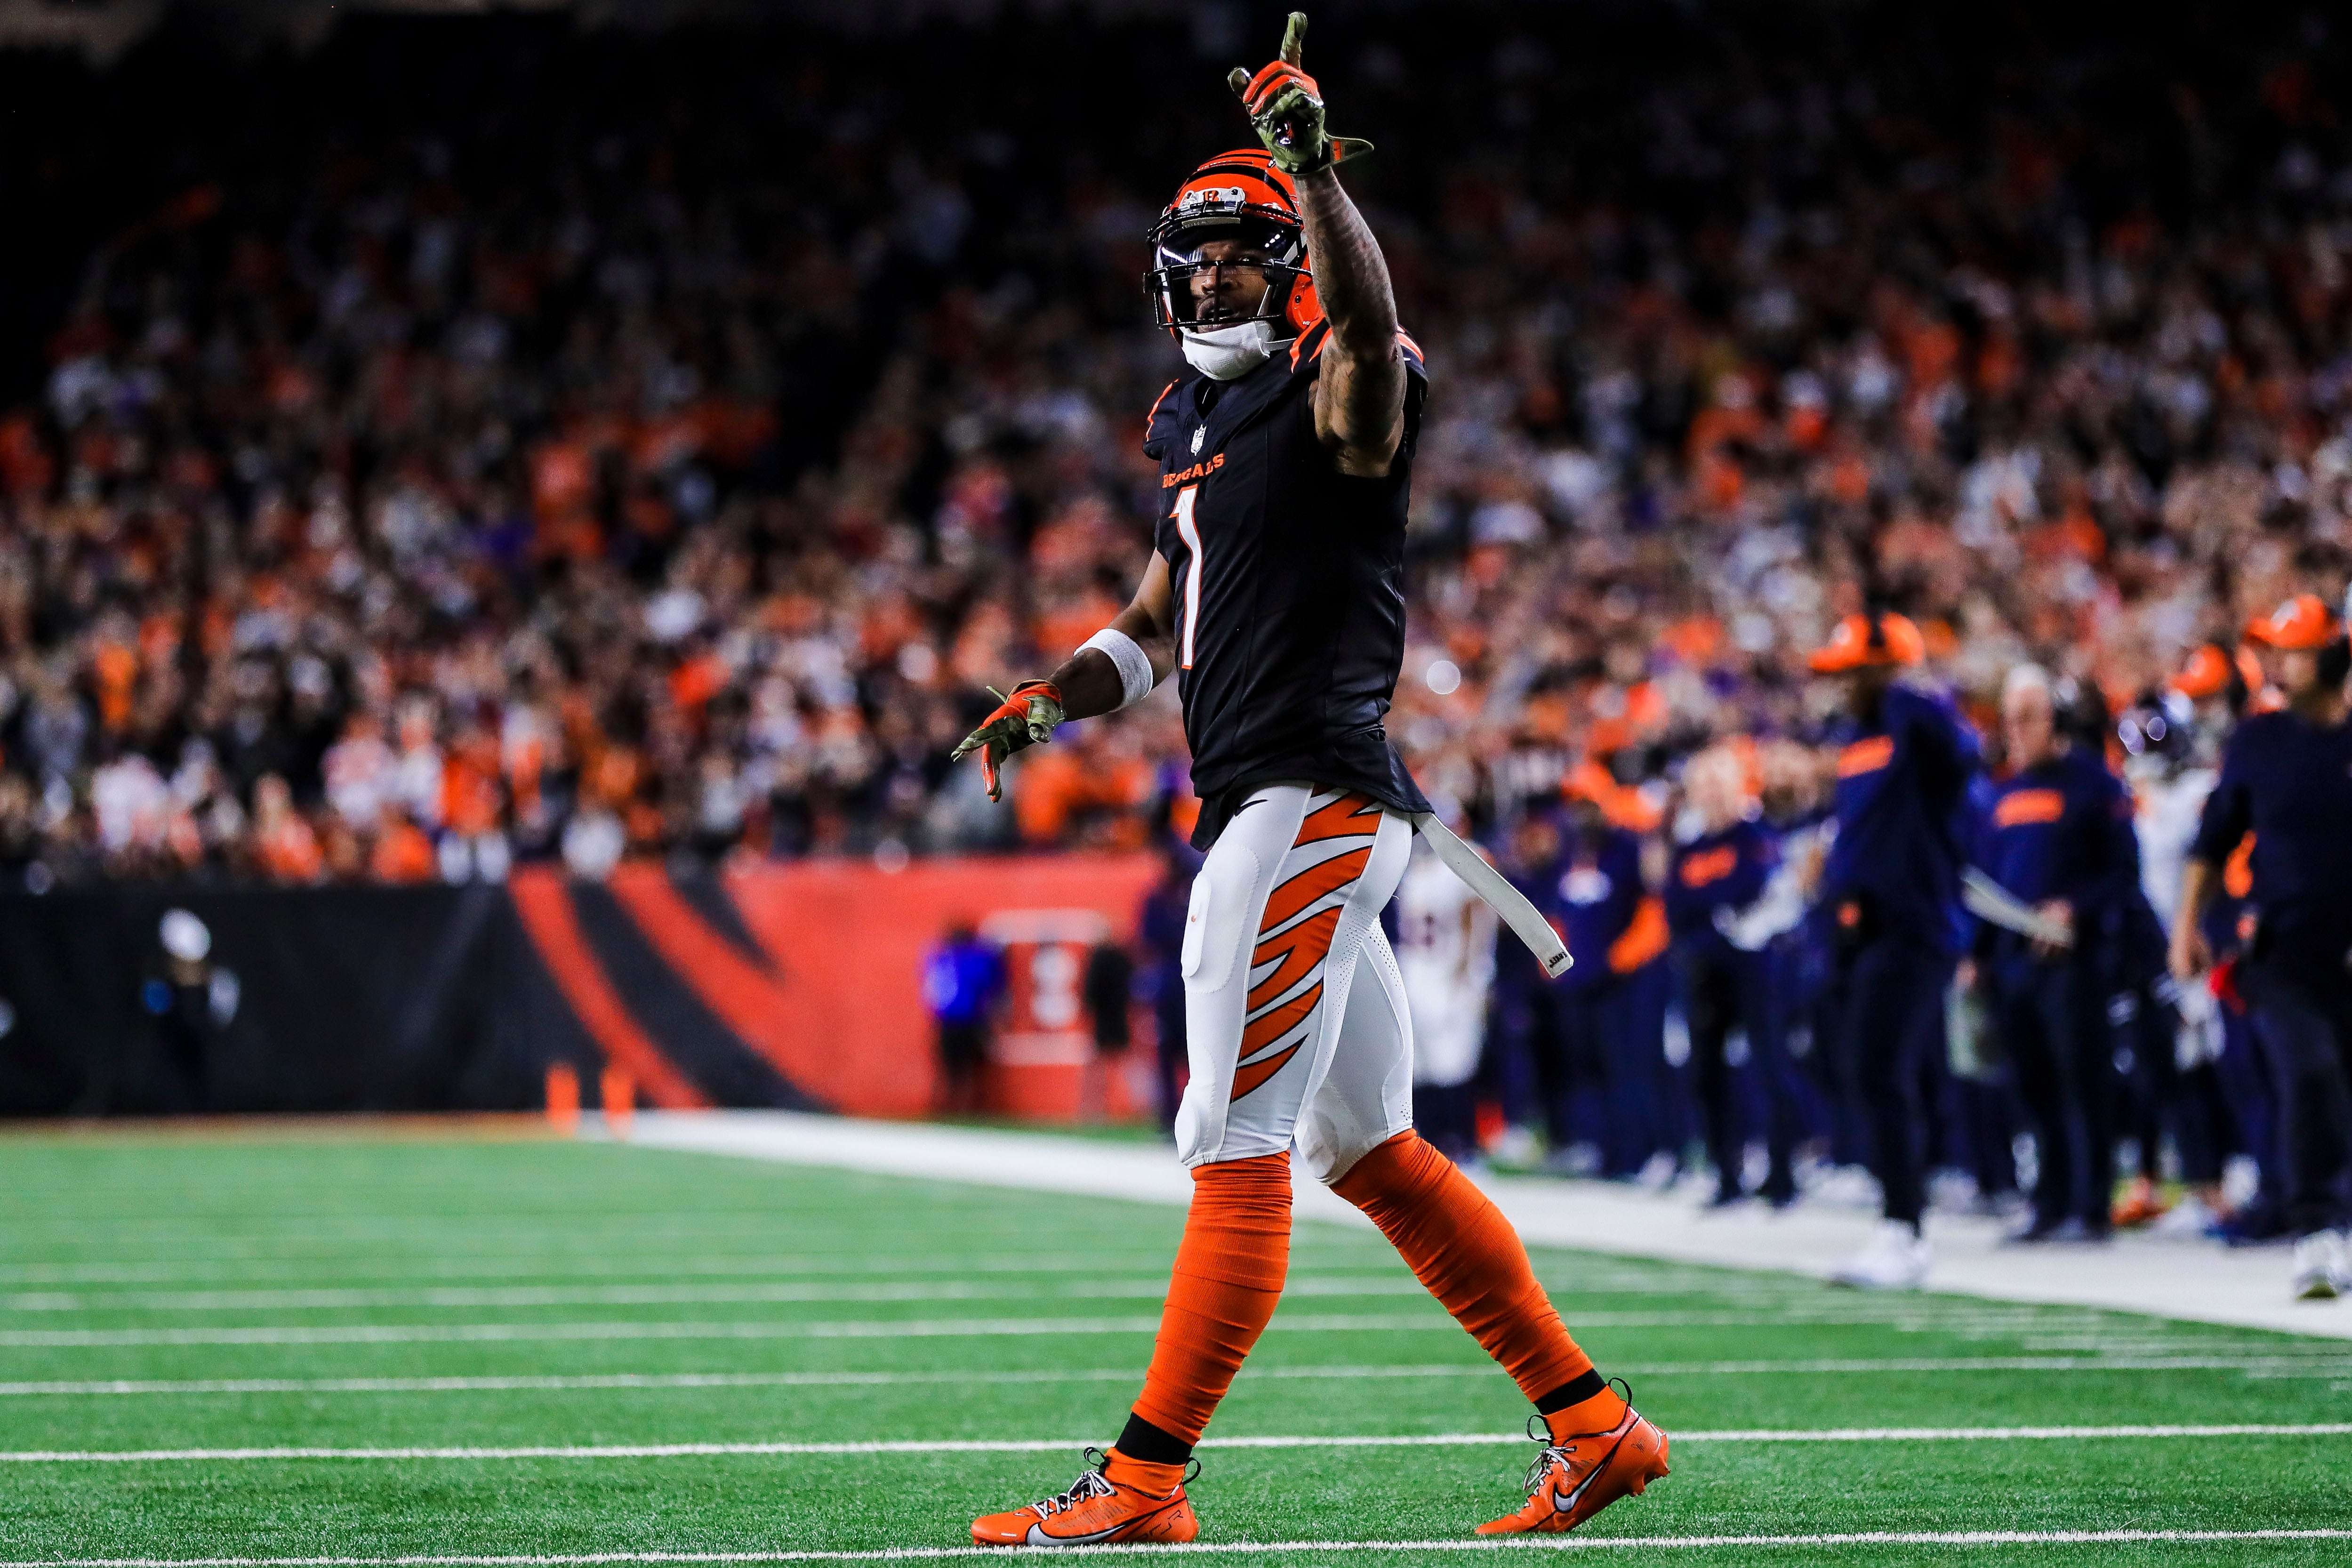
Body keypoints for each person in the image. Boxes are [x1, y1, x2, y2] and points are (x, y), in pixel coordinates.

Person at [948, 15, 1668, 1545]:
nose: (1210, 273)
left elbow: (1359, 337)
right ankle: (1593, 1427)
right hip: (1291, 808)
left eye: (1239, 248)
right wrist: (1044, 700)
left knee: (1228, 1143)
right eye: (1192, 251)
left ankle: (1143, 1480)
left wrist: (1311, 178)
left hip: (1306, 802)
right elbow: (1155, 625)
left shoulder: (1336, 386)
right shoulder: (1197, 429)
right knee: (1365, 1150)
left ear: (1287, 262)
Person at [2172, 593, 2352, 1299]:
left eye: (2296, 648)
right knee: (2307, 1073)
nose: (2281, 662)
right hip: (2281, 951)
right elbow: (2213, 840)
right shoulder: (2257, 742)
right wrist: (2186, 925)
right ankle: (2314, 1227)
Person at [1808, 613, 1983, 1289]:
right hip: (1860, 929)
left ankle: (1904, 1228)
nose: (1842, 684)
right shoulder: (1858, 737)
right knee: (1860, 1064)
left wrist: (1908, 686)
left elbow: (1961, 754)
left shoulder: (1917, 720)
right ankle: (1900, 1213)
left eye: (1854, 669)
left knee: (1879, 1067)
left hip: (1914, 923)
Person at [1969, 665, 2141, 1244]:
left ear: (2056, 718)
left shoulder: (2094, 784)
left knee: (2083, 1081)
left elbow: (2123, 873)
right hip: (2013, 960)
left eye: (2027, 717)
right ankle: (2048, 1199)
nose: (2015, 730)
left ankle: (2092, 1205)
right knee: (2031, 1083)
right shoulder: (1998, 793)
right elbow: (1989, 883)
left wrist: (2073, 908)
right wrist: (1975, 956)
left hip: (2075, 959)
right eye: (2008, 718)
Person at [1666, 746, 1796, 1207]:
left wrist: (1709, 908)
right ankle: (1726, 1175)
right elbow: (1676, 906)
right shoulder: (1690, 844)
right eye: (1703, 787)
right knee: (1706, 1073)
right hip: (1705, 971)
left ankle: (1781, 1174)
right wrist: (1715, 908)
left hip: (1754, 967)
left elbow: (1750, 884)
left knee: (1769, 1068)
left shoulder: (1752, 834)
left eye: (1719, 786)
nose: (1712, 796)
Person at [1394, 803, 1497, 1163]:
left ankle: (1461, 1143)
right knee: (1429, 1065)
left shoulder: (1447, 862)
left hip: (1440, 973)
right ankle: (1439, 1142)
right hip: (1424, 973)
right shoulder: (1418, 865)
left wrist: (1472, 973)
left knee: (1451, 1063)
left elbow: (1477, 919)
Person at [920, 920, 1003, 1117]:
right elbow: (992, 981)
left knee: (950, 1068)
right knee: (968, 1068)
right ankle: (964, 1107)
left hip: (946, 1022)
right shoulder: (975, 959)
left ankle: (948, 1107)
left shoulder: (940, 957)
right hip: (969, 1021)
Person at [1081, 938, 1137, 1121]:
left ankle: (1094, 1109)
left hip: (1103, 1019)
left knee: (1098, 1067)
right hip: (1119, 1017)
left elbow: (1090, 992)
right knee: (1122, 1064)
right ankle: (1132, 1106)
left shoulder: (1098, 959)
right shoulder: (1123, 959)